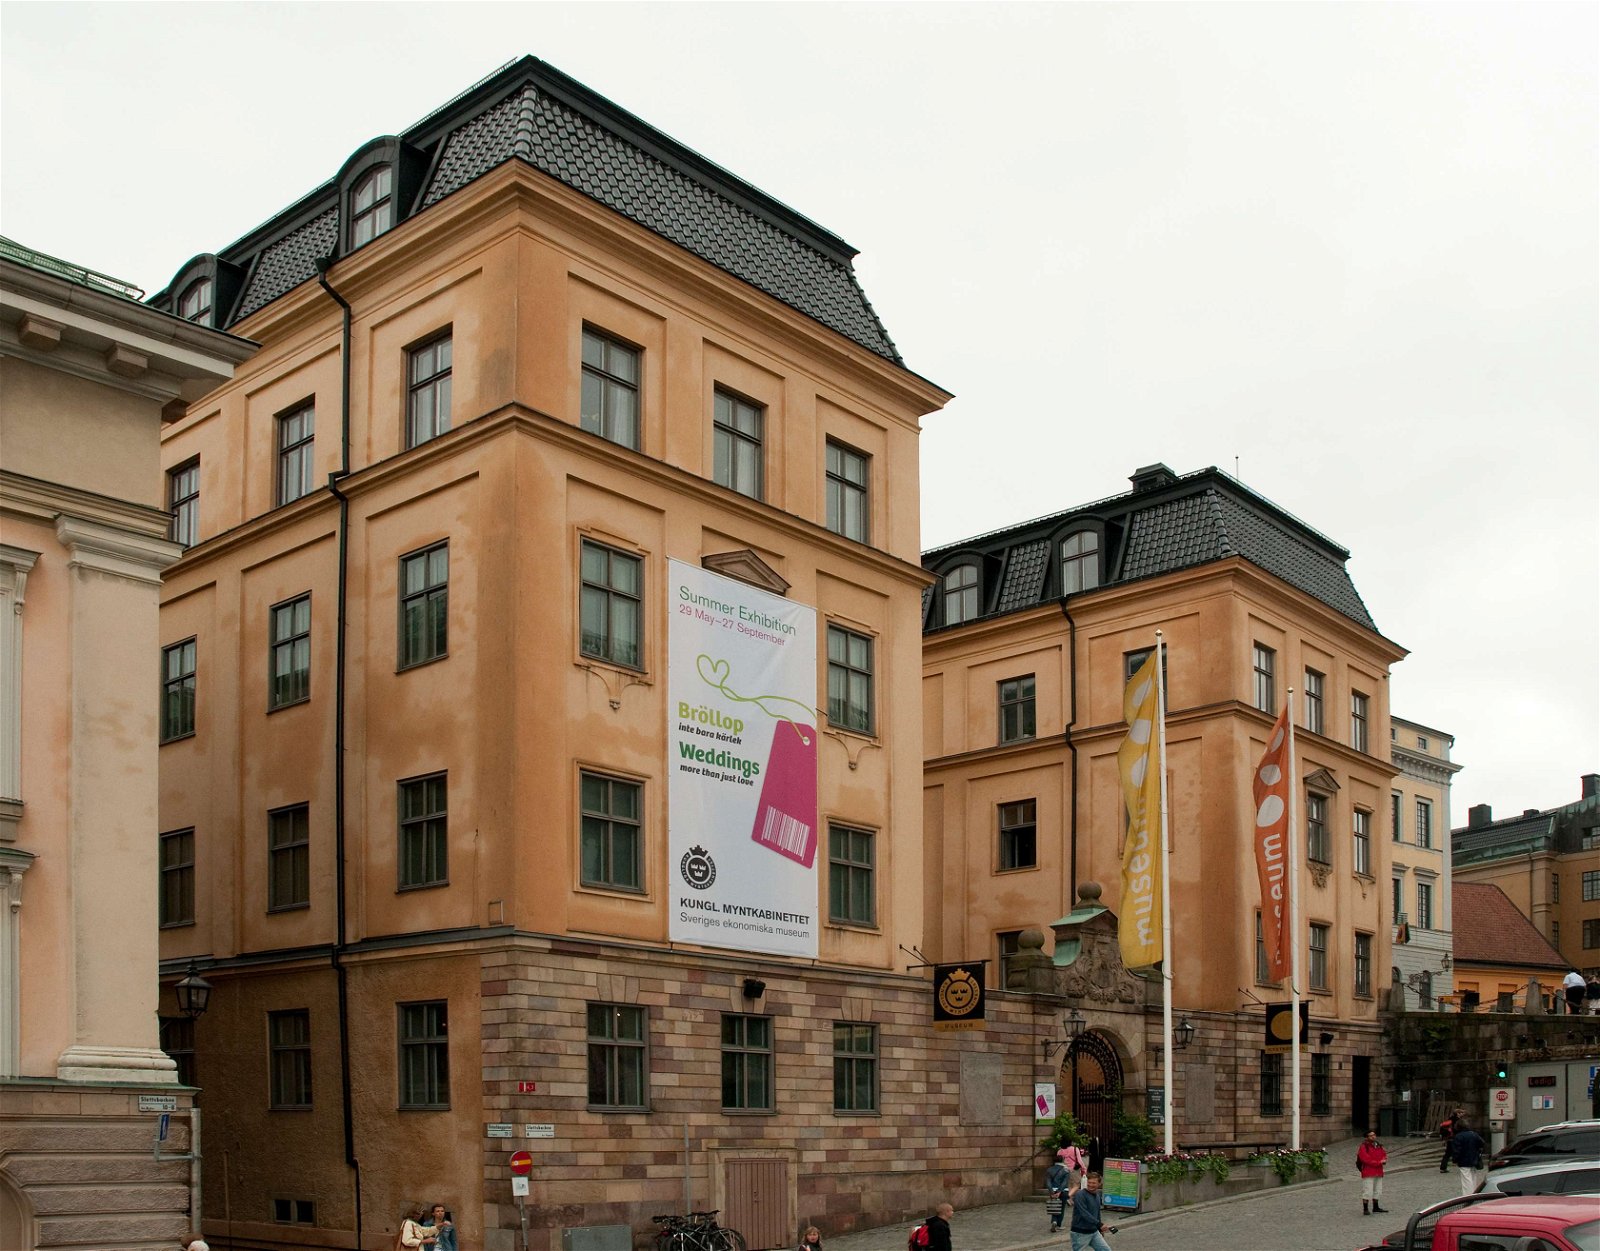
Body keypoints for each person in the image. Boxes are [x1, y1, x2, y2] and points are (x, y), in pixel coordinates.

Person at [1068, 1172, 1113, 1251]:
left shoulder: (1097, 1196)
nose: (1090, 1185)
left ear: (1099, 1184)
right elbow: (1084, 1213)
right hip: (1080, 1232)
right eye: (1089, 1182)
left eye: (1093, 1183)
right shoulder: (1080, 1195)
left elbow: (1097, 1213)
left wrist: (1099, 1228)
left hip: (1093, 1232)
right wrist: (1099, 1224)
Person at [1450, 1116, 1486, 1196]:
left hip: (1463, 1160)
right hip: (1474, 1158)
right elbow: (1482, 1143)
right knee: (1473, 1177)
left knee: (1466, 1179)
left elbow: (1457, 1150)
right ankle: (1474, 1193)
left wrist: (1455, 1159)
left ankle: (1468, 1195)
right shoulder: (1473, 1134)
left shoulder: (1459, 1136)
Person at [1357, 1129, 1389, 1216]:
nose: (1373, 1137)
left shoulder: (1378, 1145)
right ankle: (1365, 1208)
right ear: (1367, 1137)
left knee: (1378, 1190)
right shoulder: (1363, 1146)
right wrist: (1378, 1162)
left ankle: (1376, 1207)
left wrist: (1384, 1159)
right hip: (1368, 1171)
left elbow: (1383, 1154)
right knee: (1367, 1190)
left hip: (1378, 1171)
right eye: (1371, 1135)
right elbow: (1365, 1159)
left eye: (1374, 1135)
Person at [1045, 1155, 1071, 1232]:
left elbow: (1048, 1182)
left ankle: (1054, 1221)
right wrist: (1059, 1191)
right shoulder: (1066, 1170)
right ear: (1062, 1160)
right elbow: (1064, 1182)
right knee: (1062, 1208)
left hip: (1053, 1190)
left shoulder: (1049, 1170)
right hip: (1063, 1191)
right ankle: (1058, 1225)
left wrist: (1052, 1191)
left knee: (1054, 1206)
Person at [1438, 1107, 1463, 1172]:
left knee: (1448, 1153)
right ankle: (1462, 1165)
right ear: (1457, 1113)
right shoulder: (1457, 1120)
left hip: (1449, 1138)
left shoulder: (1450, 1119)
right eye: (1461, 1113)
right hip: (1454, 1138)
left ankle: (1443, 1168)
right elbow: (1457, 1130)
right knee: (1459, 1151)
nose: (1462, 1114)